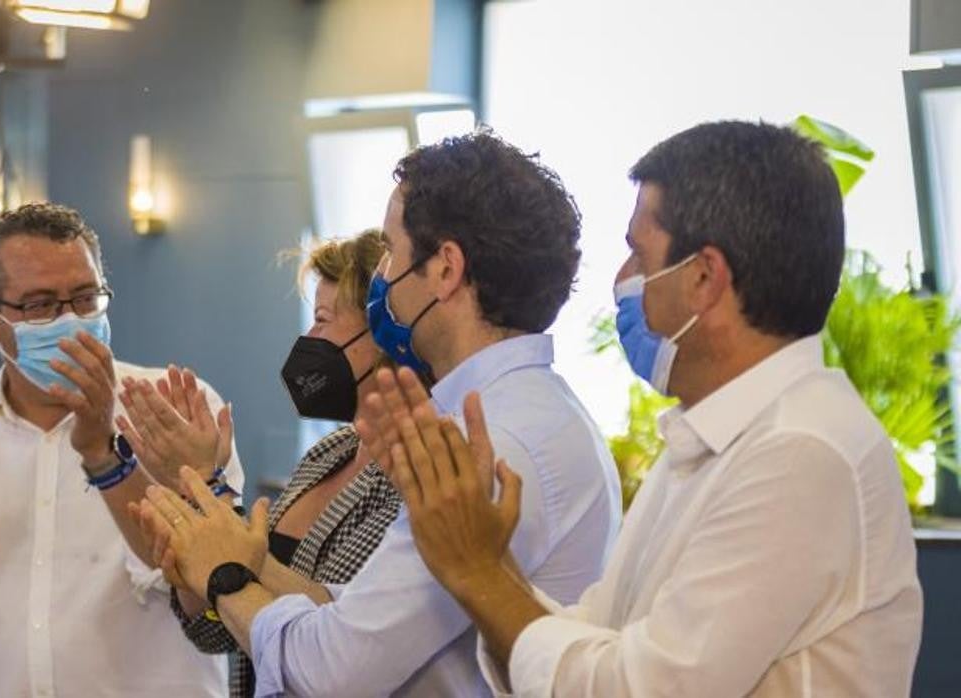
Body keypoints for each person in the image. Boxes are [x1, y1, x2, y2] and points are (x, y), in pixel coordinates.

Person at [373, 121, 924, 697]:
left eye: (639, 254)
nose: (621, 280)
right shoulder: (714, 439)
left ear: (704, 278)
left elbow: (639, 689)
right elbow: (600, 637)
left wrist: (479, 572)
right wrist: (484, 554)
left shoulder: (802, 451)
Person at [134, 131, 623, 696]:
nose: (384, 279)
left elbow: (334, 672)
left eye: (391, 252)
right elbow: (358, 611)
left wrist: (225, 577)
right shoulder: (511, 413)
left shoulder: (491, 440)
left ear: (445, 270)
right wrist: (247, 557)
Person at [0, 202, 244, 697]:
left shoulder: (175, 412)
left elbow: (206, 590)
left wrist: (104, 450)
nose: (71, 321)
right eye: (39, 305)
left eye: (85, 298)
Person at [124, 230, 402, 697]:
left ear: (380, 334)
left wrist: (219, 547)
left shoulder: (406, 479)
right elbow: (218, 630)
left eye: (322, 320)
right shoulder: (327, 455)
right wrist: (195, 508)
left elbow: (340, 640)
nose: (308, 339)